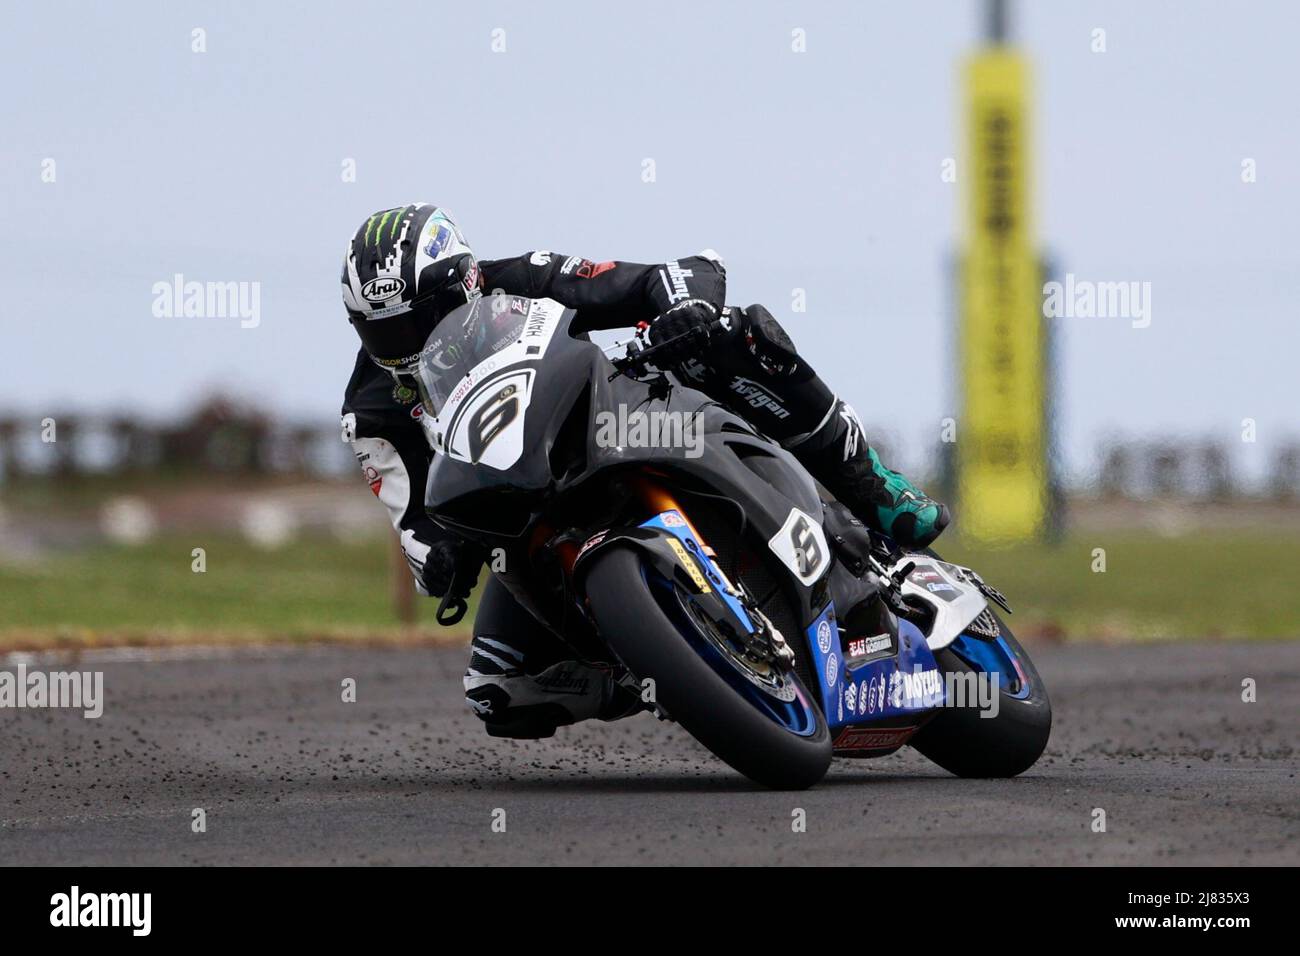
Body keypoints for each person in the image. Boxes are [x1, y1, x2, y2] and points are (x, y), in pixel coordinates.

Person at [340, 202, 949, 738]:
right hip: (526, 516)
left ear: (467, 283)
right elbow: (413, 521)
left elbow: (676, 273)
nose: (410, 341)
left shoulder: (521, 282)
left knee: (734, 334)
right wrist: (442, 554)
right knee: (497, 690)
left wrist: (683, 309)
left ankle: (871, 483)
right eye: (384, 331)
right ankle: (652, 666)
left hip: (623, 423)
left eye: (424, 317)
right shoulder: (371, 413)